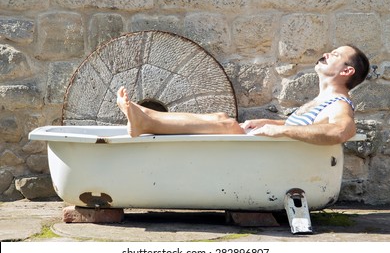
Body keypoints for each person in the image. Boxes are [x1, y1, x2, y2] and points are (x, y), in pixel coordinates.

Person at [117, 45, 370, 145]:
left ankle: (147, 121)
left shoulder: (339, 104)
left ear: (347, 70)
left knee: (227, 125)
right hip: (276, 147)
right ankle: (146, 116)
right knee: (221, 116)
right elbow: (306, 125)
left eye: (334, 55)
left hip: (280, 155)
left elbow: (341, 131)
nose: (326, 54)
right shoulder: (321, 101)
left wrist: (280, 131)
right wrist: (273, 123)